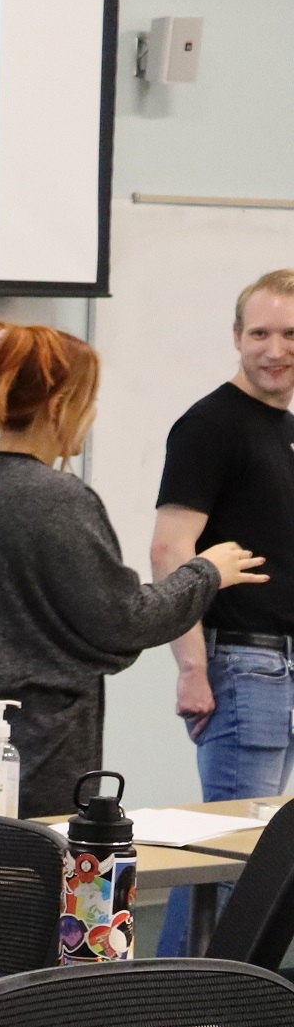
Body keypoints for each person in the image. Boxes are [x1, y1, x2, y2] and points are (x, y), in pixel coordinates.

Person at [0, 322, 263, 817]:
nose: (90, 416)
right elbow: (124, 621)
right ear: (58, 404)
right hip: (31, 767)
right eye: (87, 400)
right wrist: (207, 570)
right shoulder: (59, 500)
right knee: (38, 893)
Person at [151, 269, 294, 948]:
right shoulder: (211, 426)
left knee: (255, 860)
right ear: (236, 338)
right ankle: (167, 1021)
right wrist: (191, 669)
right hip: (241, 669)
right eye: (260, 333)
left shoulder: (281, 428)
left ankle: (208, 1018)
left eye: (290, 333)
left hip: (281, 667)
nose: (275, 348)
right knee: (229, 859)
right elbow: (170, 552)